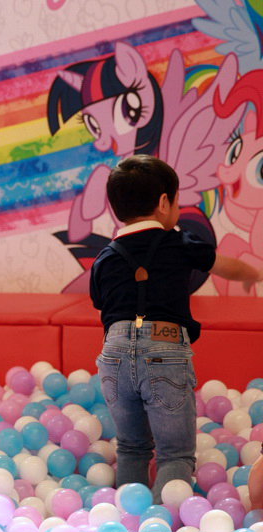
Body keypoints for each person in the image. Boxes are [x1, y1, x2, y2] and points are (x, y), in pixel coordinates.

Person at [90, 155, 263, 502]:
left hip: (113, 354)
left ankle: (127, 522)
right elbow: (224, 265)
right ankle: (162, 526)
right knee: (174, 454)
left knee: (132, 447)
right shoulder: (179, 241)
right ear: (164, 202)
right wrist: (252, 274)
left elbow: (102, 305)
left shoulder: (105, 258)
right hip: (164, 349)